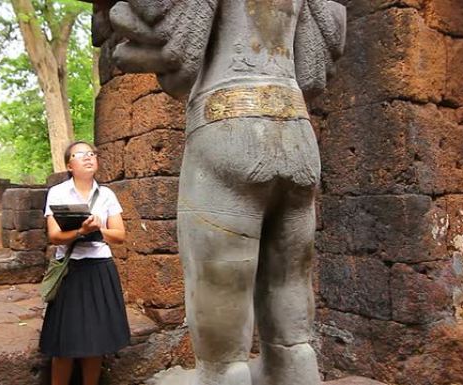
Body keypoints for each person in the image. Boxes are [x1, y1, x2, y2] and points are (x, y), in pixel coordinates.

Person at [108, 1, 345, 384]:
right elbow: (314, 76)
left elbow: (180, 58)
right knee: (290, 275)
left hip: (225, 122)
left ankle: (223, 373)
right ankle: (293, 364)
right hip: (297, 131)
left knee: (220, 278)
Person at [40, 141, 130, 385]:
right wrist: (81, 231)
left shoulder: (107, 194)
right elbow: (55, 236)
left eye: (92, 154)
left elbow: (120, 235)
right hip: (70, 270)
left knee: (96, 341)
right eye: (81, 155)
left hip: (99, 269)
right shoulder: (58, 193)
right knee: (64, 342)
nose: (89, 158)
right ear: (70, 165)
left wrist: (97, 229)